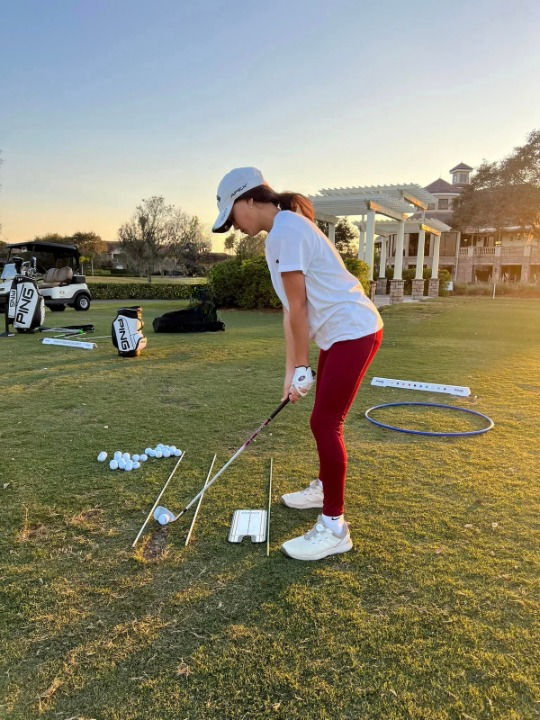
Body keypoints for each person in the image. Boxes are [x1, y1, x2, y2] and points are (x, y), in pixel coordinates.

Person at [212, 167, 383, 561]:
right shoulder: (284, 230)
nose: (234, 227)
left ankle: (334, 526)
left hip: (353, 331)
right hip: (341, 333)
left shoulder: (287, 231)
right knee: (323, 421)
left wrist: (302, 365)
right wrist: (292, 372)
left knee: (325, 422)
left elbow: (300, 308)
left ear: (249, 200)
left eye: (232, 216)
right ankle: (325, 487)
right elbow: (291, 311)